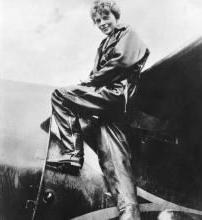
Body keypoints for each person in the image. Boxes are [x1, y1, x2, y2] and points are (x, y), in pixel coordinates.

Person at [48, 0, 150, 219]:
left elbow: (120, 62)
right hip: (109, 107)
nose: (102, 23)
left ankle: (73, 153)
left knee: (60, 95)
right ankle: (130, 212)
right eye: (97, 20)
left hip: (113, 95)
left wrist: (90, 80)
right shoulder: (103, 45)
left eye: (105, 17)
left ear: (115, 16)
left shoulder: (127, 33)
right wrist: (91, 81)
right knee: (112, 158)